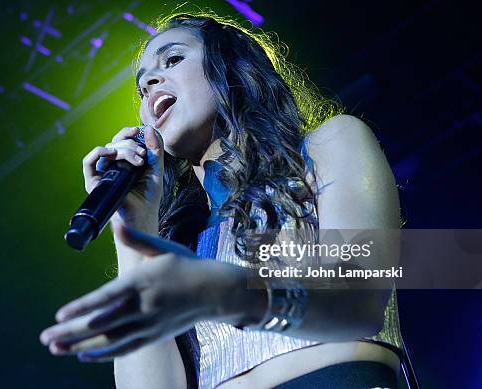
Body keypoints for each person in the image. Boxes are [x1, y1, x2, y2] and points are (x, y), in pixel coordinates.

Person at [40, 12, 404, 389]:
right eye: (141, 88)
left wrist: (221, 292)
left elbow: (359, 302)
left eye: (173, 59)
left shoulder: (329, 145)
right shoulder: (179, 243)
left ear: (230, 69)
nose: (148, 83)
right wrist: (133, 225)